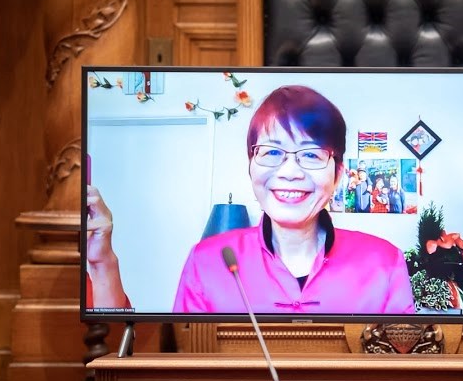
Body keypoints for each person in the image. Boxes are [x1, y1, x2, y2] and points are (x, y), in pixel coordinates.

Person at [86, 85, 415, 315]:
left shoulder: (384, 262)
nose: (289, 172)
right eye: (271, 152)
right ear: (250, 166)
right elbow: (186, 372)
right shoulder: (208, 261)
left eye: (311, 154)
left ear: (338, 173)